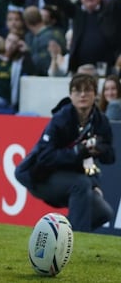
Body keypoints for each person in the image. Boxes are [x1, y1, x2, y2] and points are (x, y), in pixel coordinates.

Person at [15, 74, 116, 232]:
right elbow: (45, 156)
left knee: (103, 212)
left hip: (72, 176)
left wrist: (100, 150)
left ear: (95, 94)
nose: (82, 95)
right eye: (77, 91)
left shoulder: (100, 121)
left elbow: (110, 157)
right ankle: (75, 244)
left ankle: (53, 233)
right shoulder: (61, 119)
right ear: (70, 95)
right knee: (81, 184)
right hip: (39, 175)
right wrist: (77, 152)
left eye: (87, 90)